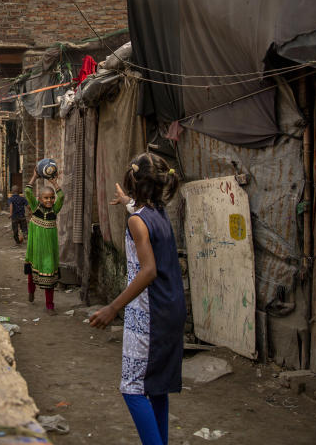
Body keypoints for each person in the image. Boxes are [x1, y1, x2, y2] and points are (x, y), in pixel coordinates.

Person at [89, 152, 184, 445]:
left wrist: (112, 307)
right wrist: (128, 202)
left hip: (150, 313)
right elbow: (141, 217)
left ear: (133, 181)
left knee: (132, 388)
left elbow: (148, 271)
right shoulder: (157, 212)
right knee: (156, 387)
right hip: (171, 307)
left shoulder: (136, 222)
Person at [24, 167, 63, 313]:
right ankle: (31, 291)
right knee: (31, 271)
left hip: (49, 249)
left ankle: (50, 305)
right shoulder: (35, 207)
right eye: (46, 198)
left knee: (49, 272)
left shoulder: (55, 209)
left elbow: (62, 197)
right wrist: (34, 177)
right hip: (35, 246)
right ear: (39, 199)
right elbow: (27, 192)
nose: (50, 200)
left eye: (51, 197)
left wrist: (55, 183)